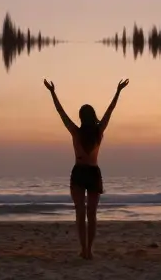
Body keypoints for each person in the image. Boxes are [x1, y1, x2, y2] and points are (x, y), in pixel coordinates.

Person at [43, 78, 129, 259]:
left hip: (83, 172)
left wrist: (52, 92)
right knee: (89, 213)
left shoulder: (83, 131)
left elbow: (61, 112)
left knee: (83, 213)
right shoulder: (92, 131)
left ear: (82, 117)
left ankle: (86, 250)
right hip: (89, 172)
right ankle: (87, 250)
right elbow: (110, 110)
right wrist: (118, 91)